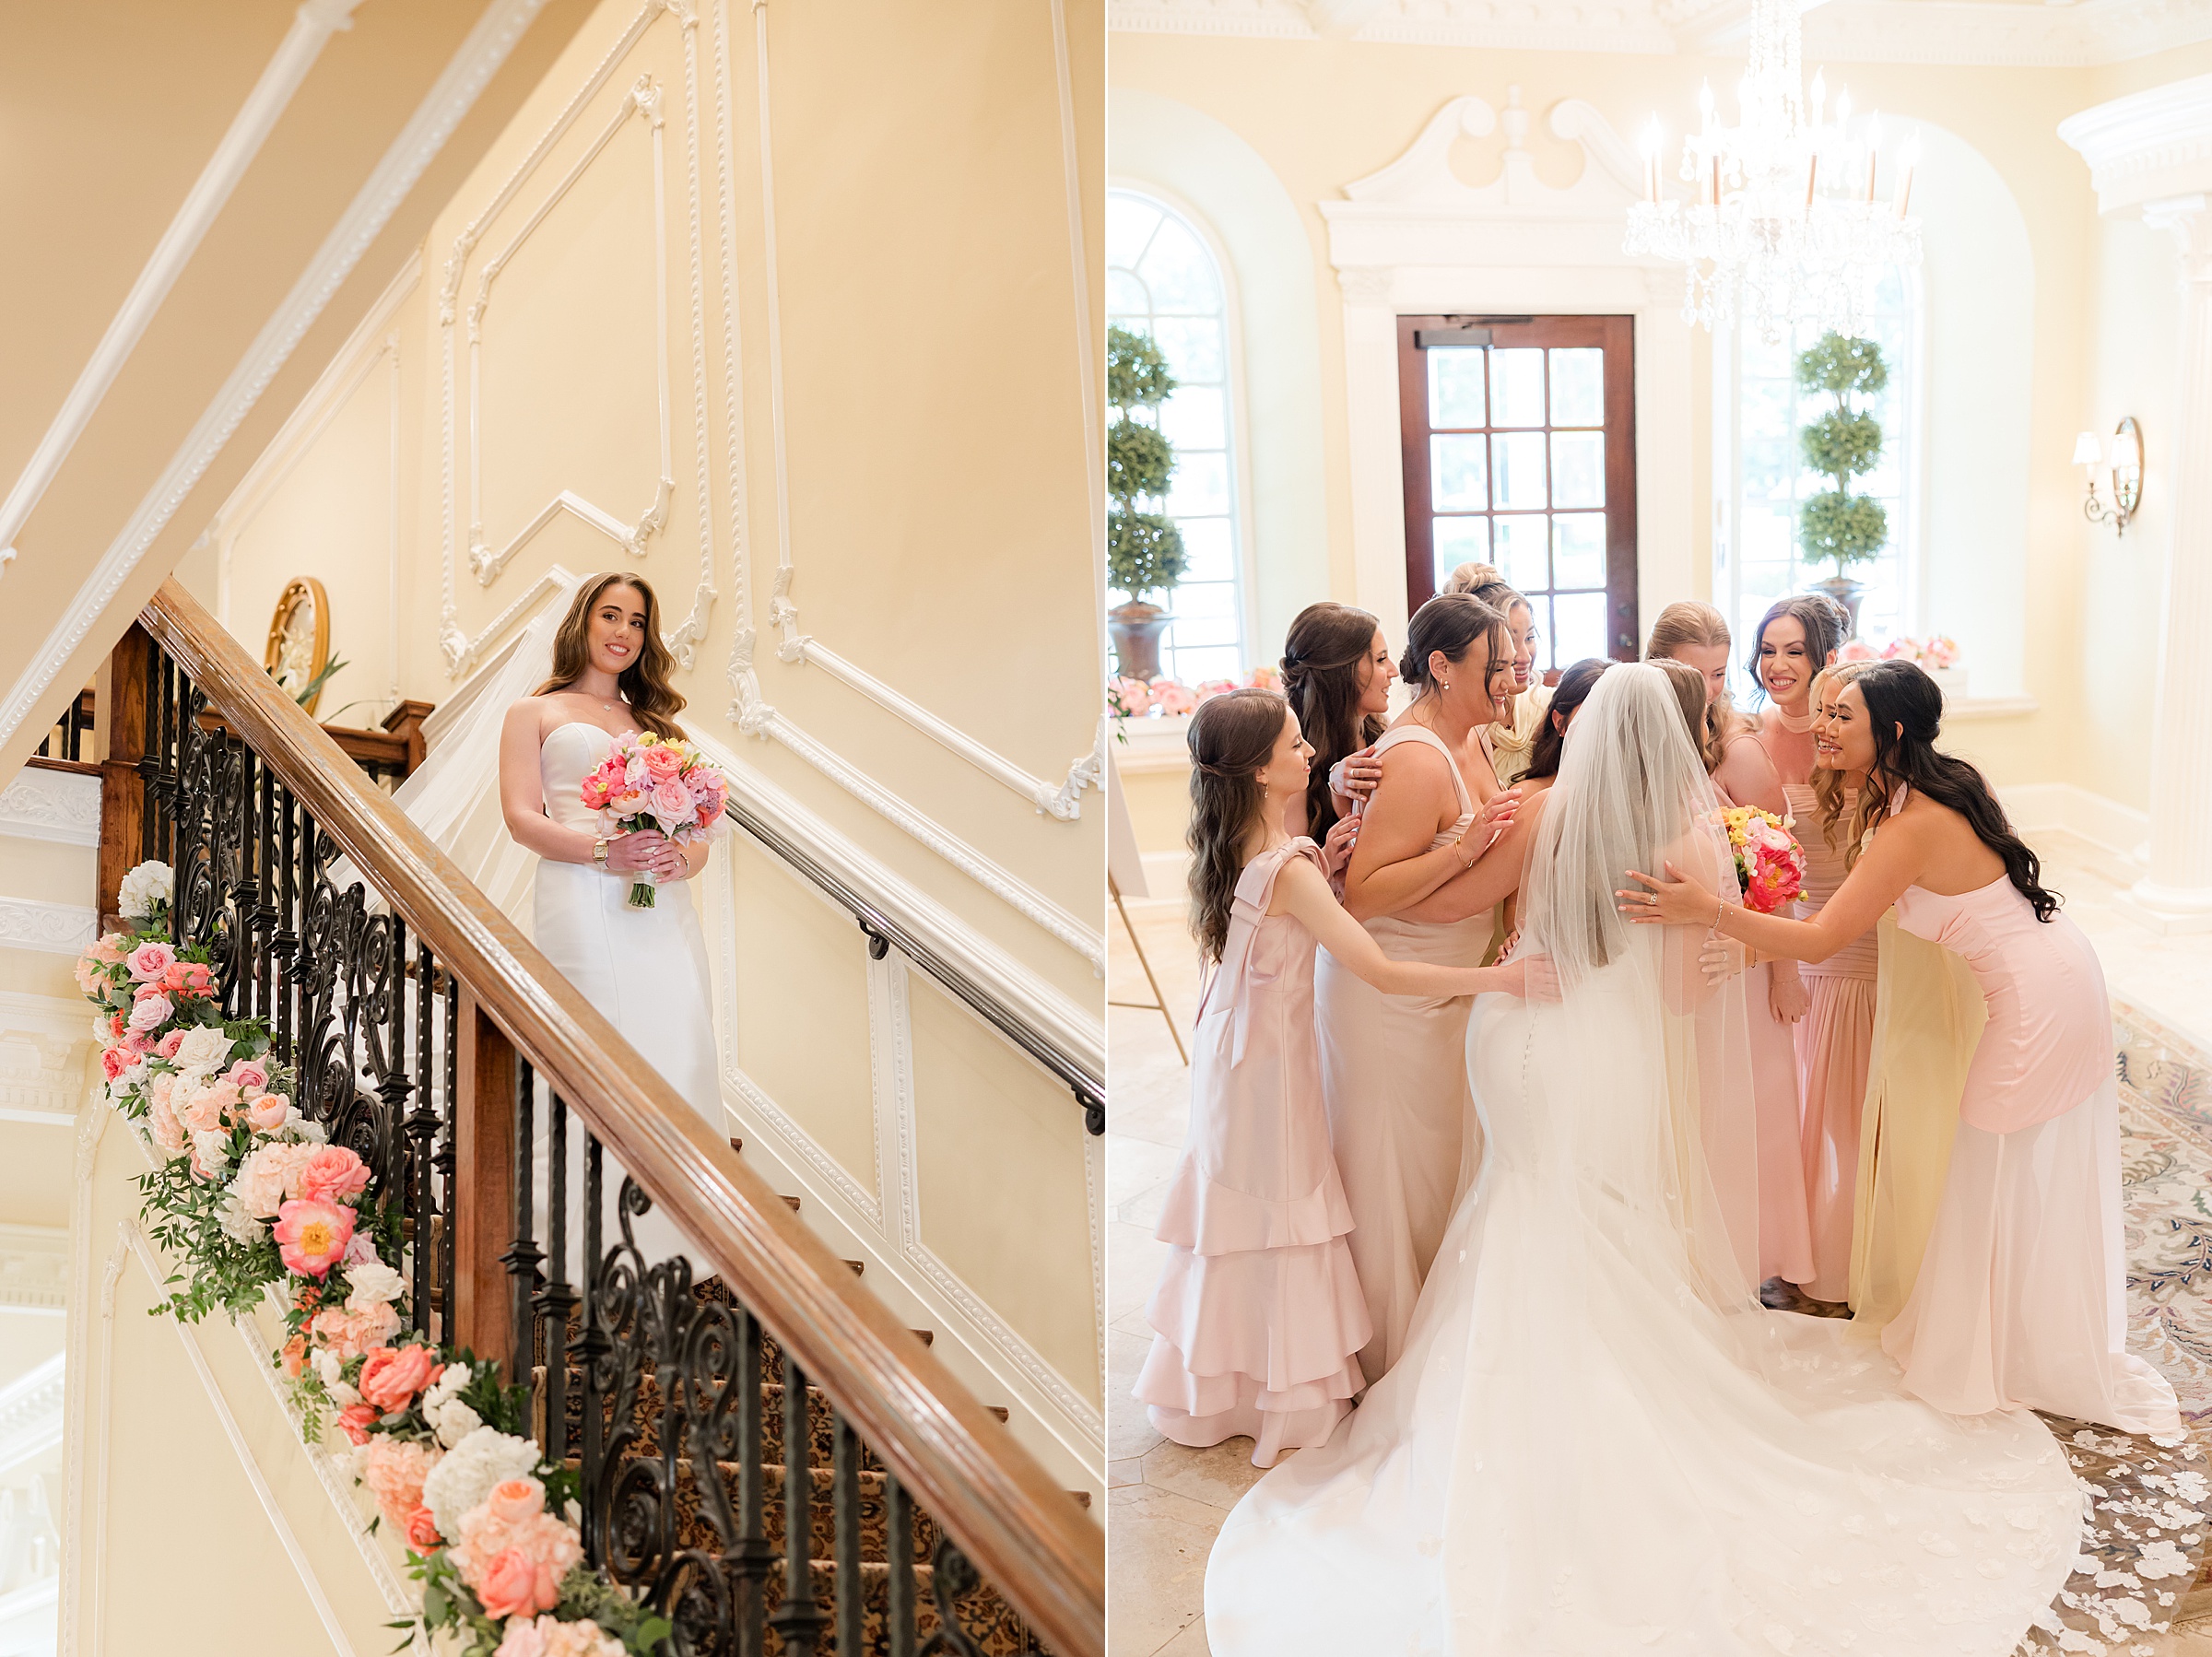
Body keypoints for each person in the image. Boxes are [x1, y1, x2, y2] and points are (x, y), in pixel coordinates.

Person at [1206, 664, 2079, 1656]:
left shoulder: (1534, 814)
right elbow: (1676, 999)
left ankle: (1497, 1405)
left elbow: (1459, 904)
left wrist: (1432, 854)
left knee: (1515, 1198)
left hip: (1513, 1026)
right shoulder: (1687, 841)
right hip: (1600, 1057)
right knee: (1596, 1208)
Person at [1625, 660, 2183, 1435]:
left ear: (1888, 732)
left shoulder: (1912, 822)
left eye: (1842, 716)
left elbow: (1821, 935)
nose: (1823, 726)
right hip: (2053, 972)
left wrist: (1708, 910)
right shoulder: (1926, 789)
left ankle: (2000, 1349)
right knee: (1991, 1164)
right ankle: (2004, 1335)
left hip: (2037, 1001)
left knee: (1992, 1163)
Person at [1135, 689, 1536, 1467]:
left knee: (1237, 1212)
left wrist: (1331, 858)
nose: (1311, 754)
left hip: (1237, 1058)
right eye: (1293, 747)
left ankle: (1229, 1385)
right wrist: (1503, 982)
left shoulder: (1265, 855)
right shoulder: (1289, 868)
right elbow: (1380, 970)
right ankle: (1279, 1392)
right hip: (1269, 1069)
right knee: (1283, 1208)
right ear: (1257, 774)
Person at [1321, 594, 1532, 1381]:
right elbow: (1366, 892)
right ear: (1442, 667)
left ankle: (1441, 1346)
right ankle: (1394, 1358)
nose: (1510, 681)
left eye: (1512, 663)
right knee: (1398, 1177)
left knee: (1444, 1167)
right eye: (1497, 666)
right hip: (1390, 994)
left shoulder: (1472, 736)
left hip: (1450, 980)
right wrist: (1468, 847)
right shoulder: (1414, 757)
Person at [497, 571, 719, 1268]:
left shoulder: (660, 730)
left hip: (658, 902)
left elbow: (702, 829)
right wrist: (605, 848)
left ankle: (675, 1235)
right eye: (610, 615)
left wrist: (679, 861)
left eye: (637, 622)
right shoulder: (532, 714)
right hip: (580, 892)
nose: (623, 632)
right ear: (583, 624)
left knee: (677, 1035)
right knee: (592, 1038)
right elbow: (521, 818)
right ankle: (573, 1227)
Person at [1646, 601, 1815, 1297]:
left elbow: (1779, 868)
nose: (1709, 690)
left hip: (1737, 958)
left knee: (1744, 1109)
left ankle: (1748, 1259)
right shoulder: (1644, 739)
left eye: (1718, 674)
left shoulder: (1738, 751)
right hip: (1663, 959)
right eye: (1694, 674)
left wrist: (1782, 970)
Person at [1277, 601, 1391, 868]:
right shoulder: (1290, 754)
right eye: (1381, 660)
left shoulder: (1381, 735)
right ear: (1344, 671)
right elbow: (1281, 873)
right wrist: (1327, 859)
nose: (1393, 672)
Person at [1443, 563, 1550, 789]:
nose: (1524, 657)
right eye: (1510, 641)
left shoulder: (1548, 705)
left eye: (1529, 638)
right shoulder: (1458, 725)